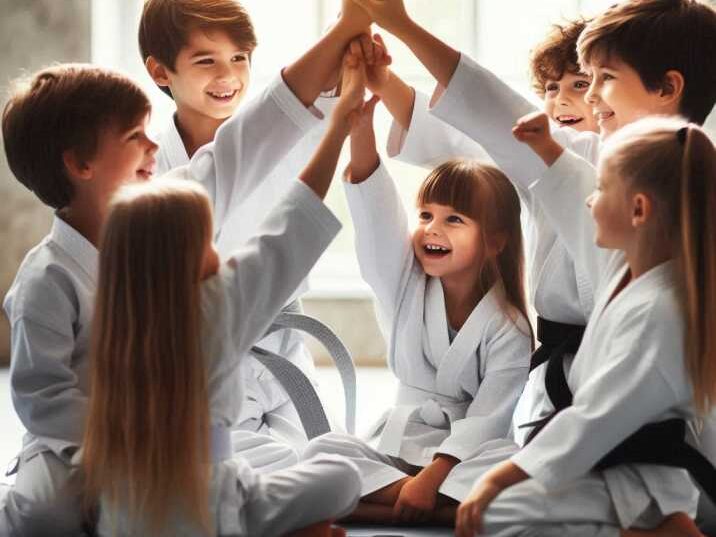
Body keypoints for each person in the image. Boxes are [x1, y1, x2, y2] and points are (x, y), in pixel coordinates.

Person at [82, 50, 372, 537]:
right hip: (218, 507)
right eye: (208, 237)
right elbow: (288, 228)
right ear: (188, 253)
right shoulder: (217, 307)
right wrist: (340, 124)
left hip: (123, 512)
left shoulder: (117, 319)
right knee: (342, 473)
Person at [303, 40, 532, 526]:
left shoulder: (508, 327)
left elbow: (490, 417)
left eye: (454, 220)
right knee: (325, 448)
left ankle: (384, 506)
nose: (431, 228)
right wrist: (360, 129)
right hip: (398, 448)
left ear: (494, 241)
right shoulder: (405, 283)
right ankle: (421, 505)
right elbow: (375, 214)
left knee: (510, 471)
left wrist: (436, 476)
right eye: (426, 214)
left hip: (466, 459)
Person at [138, 0, 374, 469]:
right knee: (247, 472)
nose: (228, 75)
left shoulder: (281, 132)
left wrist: (354, 37)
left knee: (342, 459)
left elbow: (314, 92)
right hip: (201, 363)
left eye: (240, 58)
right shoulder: (148, 174)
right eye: (206, 60)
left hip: (283, 346)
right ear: (161, 71)